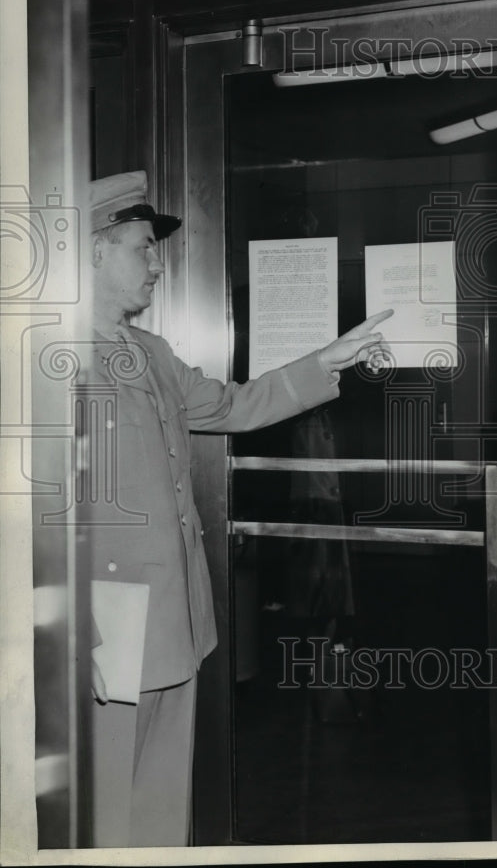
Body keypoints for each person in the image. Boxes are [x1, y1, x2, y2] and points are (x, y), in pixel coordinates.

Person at [84, 170, 392, 847]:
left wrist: (327, 360)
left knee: (161, 807)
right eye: (144, 247)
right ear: (95, 251)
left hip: (174, 619)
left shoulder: (151, 353)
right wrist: (73, 633)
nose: (157, 266)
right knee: (103, 814)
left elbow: (231, 405)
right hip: (104, 628)